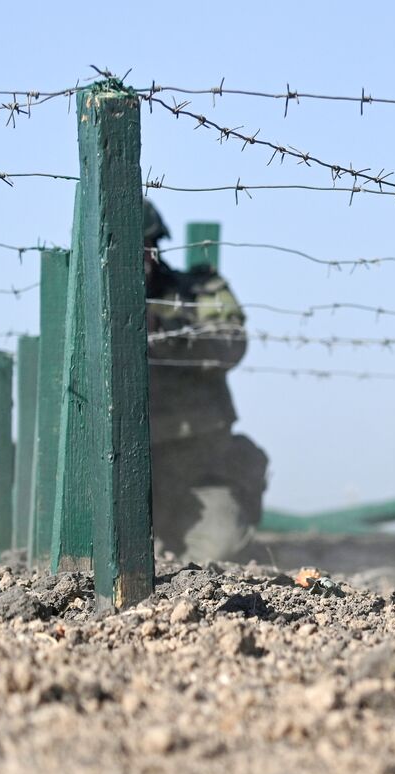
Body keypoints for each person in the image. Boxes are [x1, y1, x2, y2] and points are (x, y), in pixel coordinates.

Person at [144, 201, 268, 562]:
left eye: (145, 248)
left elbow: (231, 343)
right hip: (122, 470)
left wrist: (172, 336)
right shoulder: (87, 306)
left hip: (198, 465)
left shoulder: (197, 292)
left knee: (219, 549)